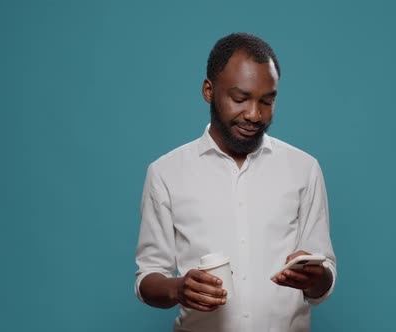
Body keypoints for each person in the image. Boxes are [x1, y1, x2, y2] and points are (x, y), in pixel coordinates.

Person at [134, 32, 336, 332]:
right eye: (240, 99)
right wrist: (179, 289)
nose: (254, 115)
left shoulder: (304, 169)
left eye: (267, 101)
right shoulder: (166, 172)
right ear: (208, 90)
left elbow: (324, 277)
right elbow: (148, 278)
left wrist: (317, 278)